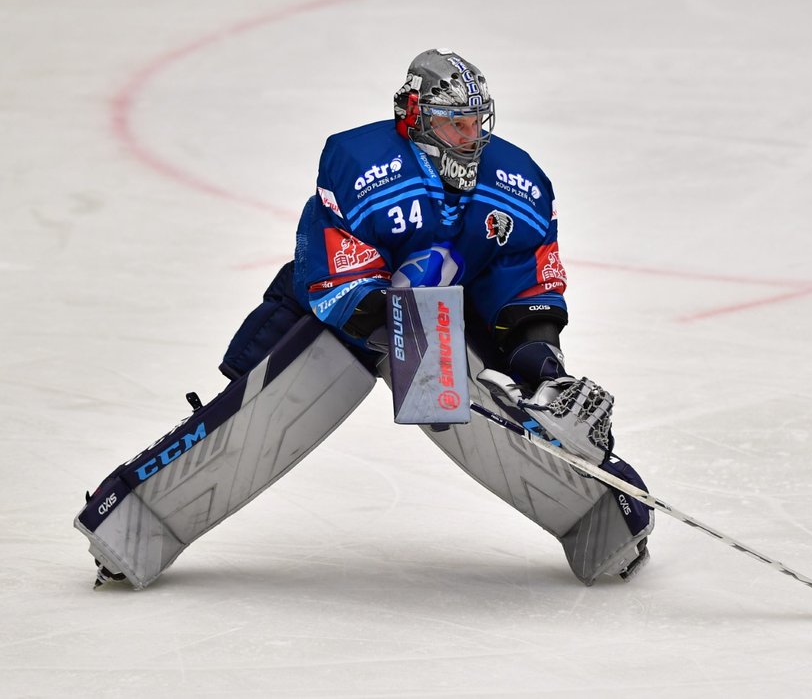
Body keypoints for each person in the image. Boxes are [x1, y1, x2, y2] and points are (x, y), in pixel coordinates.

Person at [78, 49, 653, 589]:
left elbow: (523, 279)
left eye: (479, 122)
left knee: (527, 409)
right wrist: (403, 328)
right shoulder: (361, 162)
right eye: (458, 123)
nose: (472, 136)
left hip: (455, 319)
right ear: (417, 117)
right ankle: (127, 526)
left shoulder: (517, 178)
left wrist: (543, 367)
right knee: (258, 411)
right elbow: (330, 268)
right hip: (344, 316)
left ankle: (607, 517)